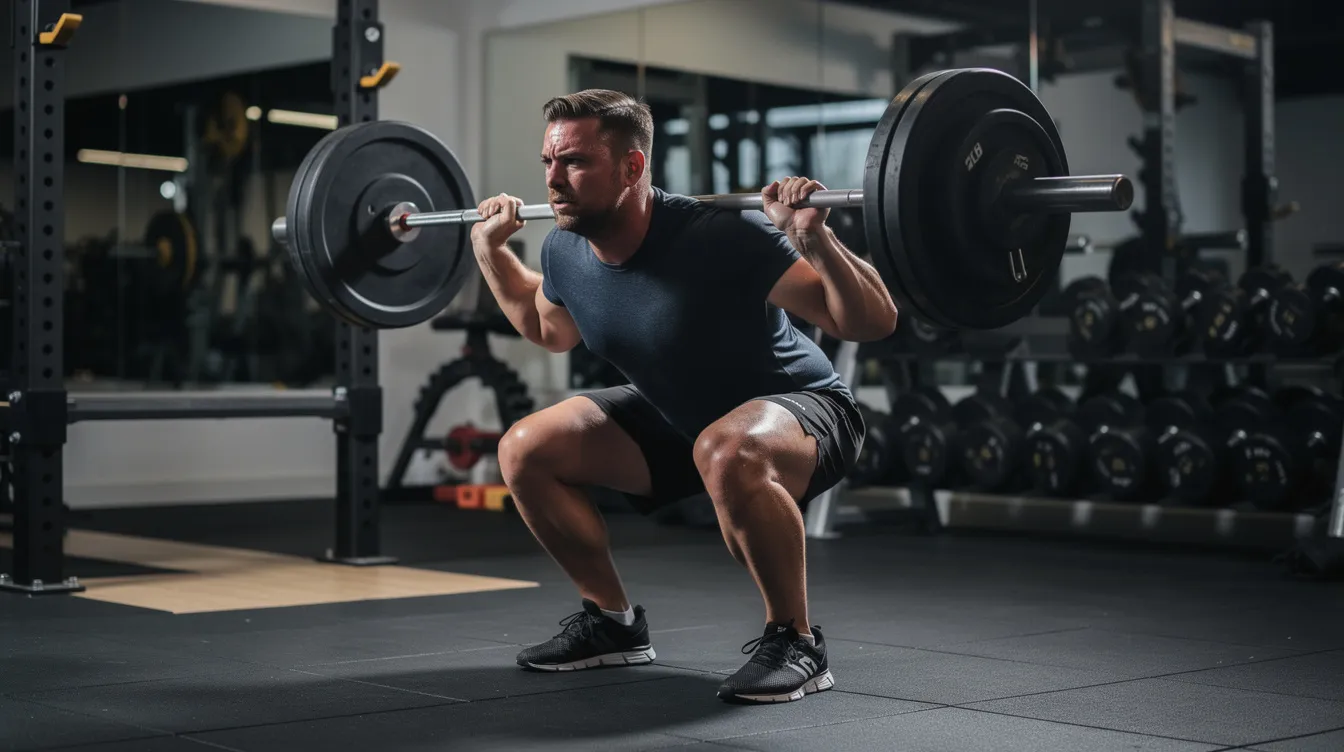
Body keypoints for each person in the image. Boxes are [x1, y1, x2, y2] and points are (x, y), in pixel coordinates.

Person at [469, 89, 898, 704]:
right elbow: (547, 328)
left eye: (576, 162)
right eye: (548, 162)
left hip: (805, 410)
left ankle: (797, 643)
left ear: (632, 167)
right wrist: (490, 251)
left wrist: (815, 240)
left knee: (727, 449)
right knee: (525, 448)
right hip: (684, 419)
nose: (554, 180)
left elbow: (872, 322)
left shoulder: (721, 236)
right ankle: (611, 624)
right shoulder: (564, 249)